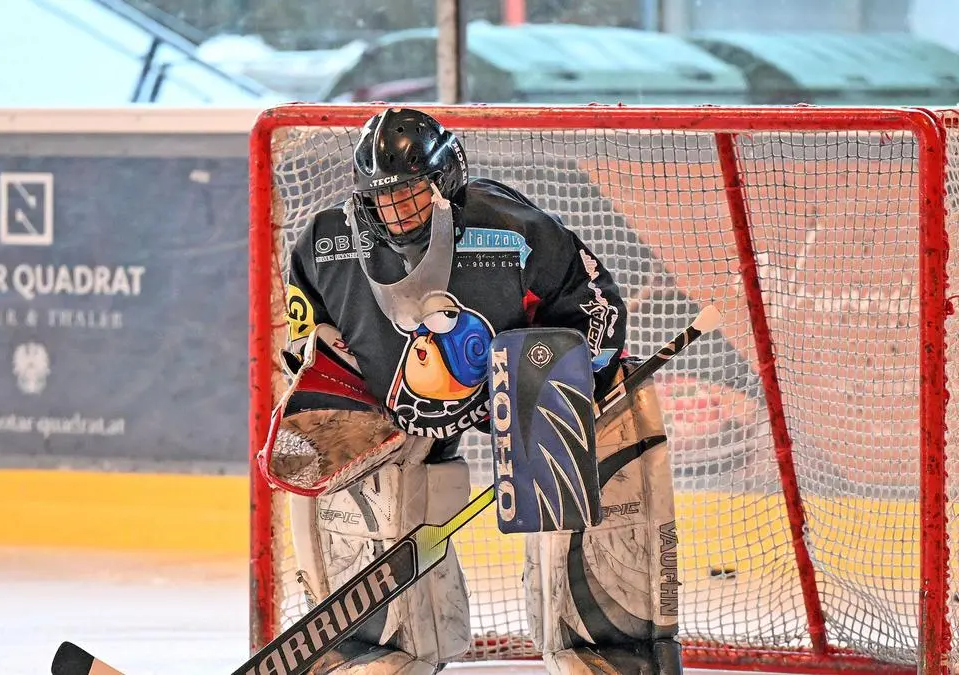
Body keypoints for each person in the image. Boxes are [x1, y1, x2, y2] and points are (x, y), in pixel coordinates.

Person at [274, 107, 682, 674]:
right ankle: (375, 648)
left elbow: (594, 301)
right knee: (353, 468)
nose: (399, 211)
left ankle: (608, 648)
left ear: (446, 182)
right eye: (384, 198)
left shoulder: (513, 229)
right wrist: (330, 375)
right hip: (393, 400)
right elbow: (304, 333)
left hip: (519, 388)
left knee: (612, 432)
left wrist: (575, 380)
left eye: (412, 193)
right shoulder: (325, 244)